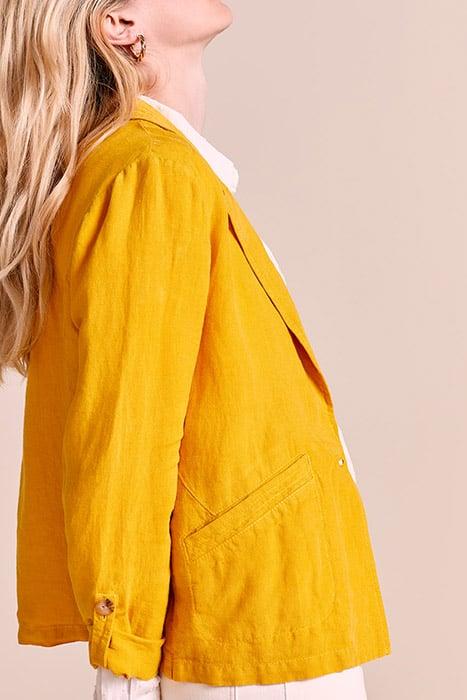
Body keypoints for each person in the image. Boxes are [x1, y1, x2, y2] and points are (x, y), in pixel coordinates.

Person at [0, 1, 391, 698]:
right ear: (119, 25)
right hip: (243, 618)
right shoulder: (148, 172)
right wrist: (123, 661)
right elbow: (125, 431)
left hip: (269, 601)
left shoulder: (160, 167)